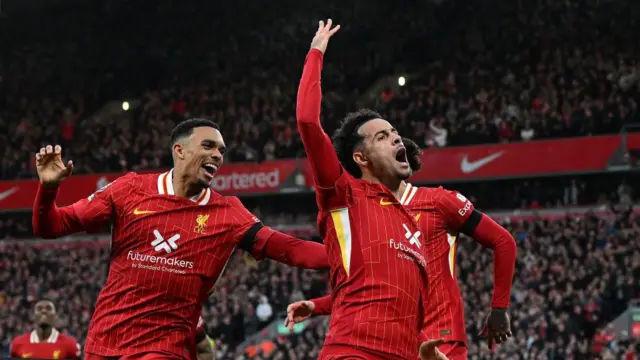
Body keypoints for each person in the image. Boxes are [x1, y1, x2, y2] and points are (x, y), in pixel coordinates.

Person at [32, 118, 329, 360]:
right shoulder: (130, 189)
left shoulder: (228, 213)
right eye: (209, 146)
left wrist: (351, 255)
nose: (217, 155)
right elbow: (52, 226)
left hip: (165, 347)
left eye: (221, 151)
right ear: (180, 150)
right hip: (105, 341)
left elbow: (291, 249)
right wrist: (47, 190)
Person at [285, 138, 517, 360]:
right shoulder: (368, 220)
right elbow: (370, 290)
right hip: (393, 343)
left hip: (440, 338)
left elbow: (503, 241)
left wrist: (499, 309)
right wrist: (316, 306)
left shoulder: (438, 201)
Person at [296, 19, 447, 360]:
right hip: (352, 352)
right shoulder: (344, 194)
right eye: (382, 136)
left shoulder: (413, 225)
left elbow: (381, 293)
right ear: (360, 157)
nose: (395, 137)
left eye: (395, 132)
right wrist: (316, 51)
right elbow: (307, 121)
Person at [10, 299, 82, 359]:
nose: (44, 311)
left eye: (48, 308)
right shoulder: (18, 343)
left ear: (55, 315)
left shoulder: (70, 345)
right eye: (39, 308)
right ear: (33, 315)